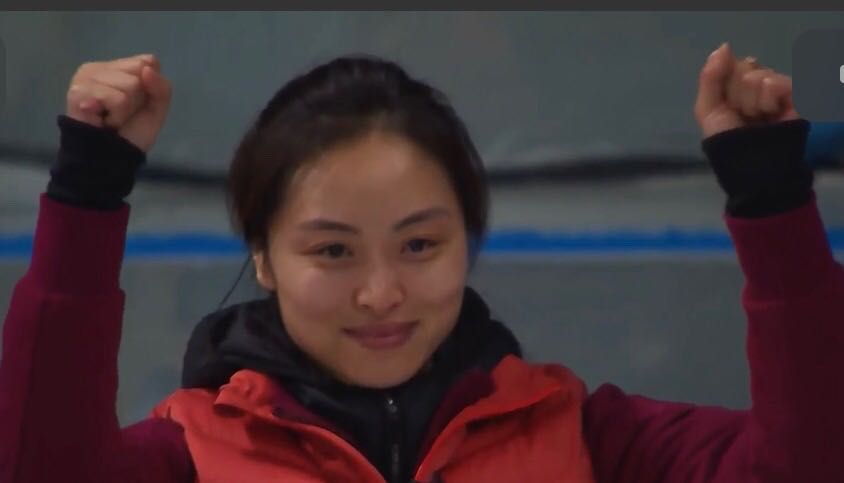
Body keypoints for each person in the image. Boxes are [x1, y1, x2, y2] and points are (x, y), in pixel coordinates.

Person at [0, 42, 842, 483]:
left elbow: (807, 463)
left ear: (466, 241)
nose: (381, 293)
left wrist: (773, 204)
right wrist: (88, 193)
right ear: (263, 258)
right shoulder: (191, 450)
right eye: (333, 249)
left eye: (419, 244)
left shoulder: (582, 433)